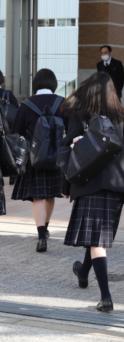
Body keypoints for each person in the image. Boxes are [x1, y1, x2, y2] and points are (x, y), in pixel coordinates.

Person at [61, 72, 124, 313]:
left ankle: (106, 297)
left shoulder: (81, 116)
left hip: (88, 185)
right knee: (97, 238)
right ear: (113, 92)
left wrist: (65, 187)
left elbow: (68, 152)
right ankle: (82, 272)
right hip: (116, 186)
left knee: (96, 240)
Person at [11, 69, 67, 253]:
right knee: (50, 195)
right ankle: (47, 226)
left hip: (34, 159)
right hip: (56, 157)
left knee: (38, 196)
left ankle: (41, 236)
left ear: (35, 84)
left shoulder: (26, 105)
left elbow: (17, 132)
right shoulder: (62, 103)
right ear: (53, 83)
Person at [0, 70, 20, 185]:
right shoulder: (7, 94)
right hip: (5, 130)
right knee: (7, 152)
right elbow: (17, 110)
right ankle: (12, 175)